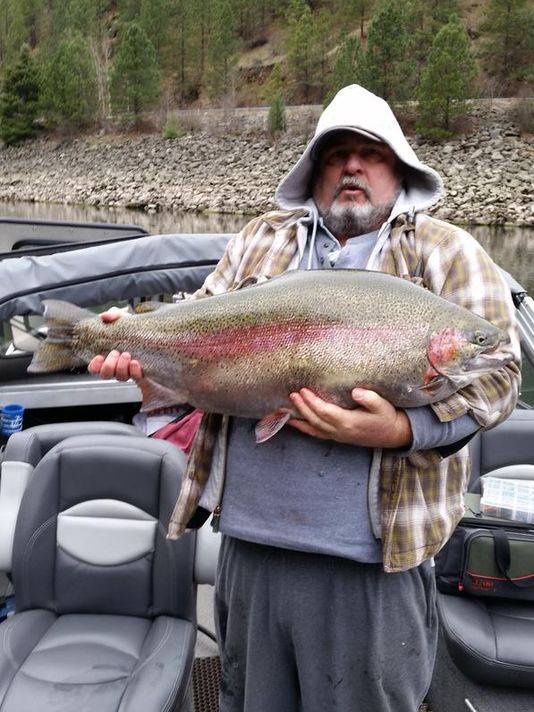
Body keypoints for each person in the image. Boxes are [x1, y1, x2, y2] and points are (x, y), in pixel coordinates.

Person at [89, 85, 521, 711]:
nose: (352, 167)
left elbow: (501, 375)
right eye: (334, 154)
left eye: (369, 154)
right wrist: (137, 352)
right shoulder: (260, 240)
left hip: (373, 570)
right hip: (251, 553)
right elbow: (194, 330)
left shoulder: (450, 252)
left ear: (397, 169)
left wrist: (403, 430)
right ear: (314, 173)